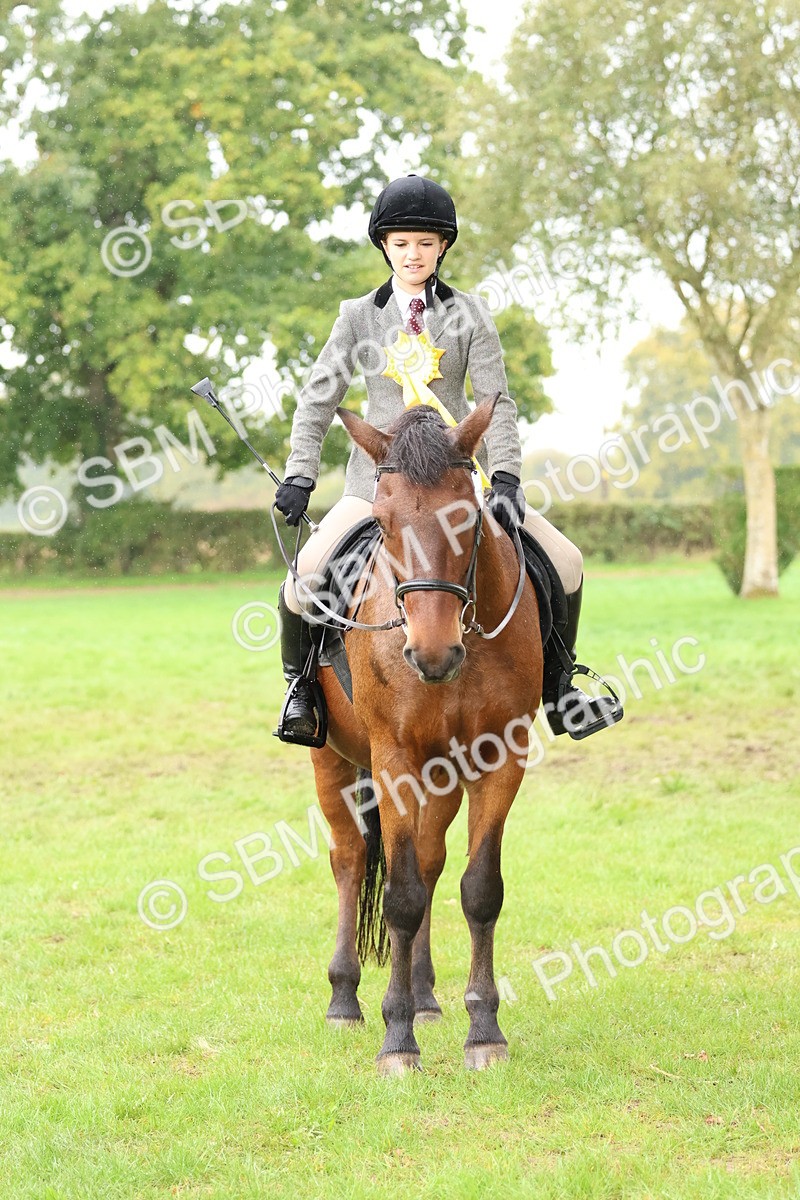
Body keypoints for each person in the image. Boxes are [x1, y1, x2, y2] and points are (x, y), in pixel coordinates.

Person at [274, 174, 622, 743]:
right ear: (385, 246)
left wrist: (506, 476)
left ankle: (560, 690)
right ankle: (302, 694)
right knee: (305, 578)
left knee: (567, 559)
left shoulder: (471, 314)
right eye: (402, 243)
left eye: (425, 243)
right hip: (377, 489)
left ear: (442, 248)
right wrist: (299, 473)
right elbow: (319, 399)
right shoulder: (357, 316)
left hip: (463, 484)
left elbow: (495, 400)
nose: (413, 254)